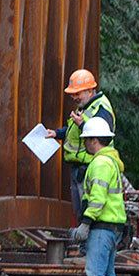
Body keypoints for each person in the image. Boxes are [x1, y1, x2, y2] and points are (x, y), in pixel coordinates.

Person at [69, 117, 125, 276]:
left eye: (85, 140)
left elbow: (98, 199)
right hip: (113, 227)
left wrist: (85, 224)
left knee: (94, 273)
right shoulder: (110, 161)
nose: (84, 144)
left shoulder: (100, 164)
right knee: (108, 274)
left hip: (102, 226)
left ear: (93, 140)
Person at [46, 68, 116, 224]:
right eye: (73, 94)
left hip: (90, 166)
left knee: (89, 209)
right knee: (80, 211)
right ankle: (84, 243)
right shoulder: (86, 106)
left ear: (90, 91)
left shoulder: (101, 108)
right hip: (79, 167)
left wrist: (82, 124)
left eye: (77, 93)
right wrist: (57, 134)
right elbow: (73, 132)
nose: (74, 97)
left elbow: (102, 136)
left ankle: (88, 242)